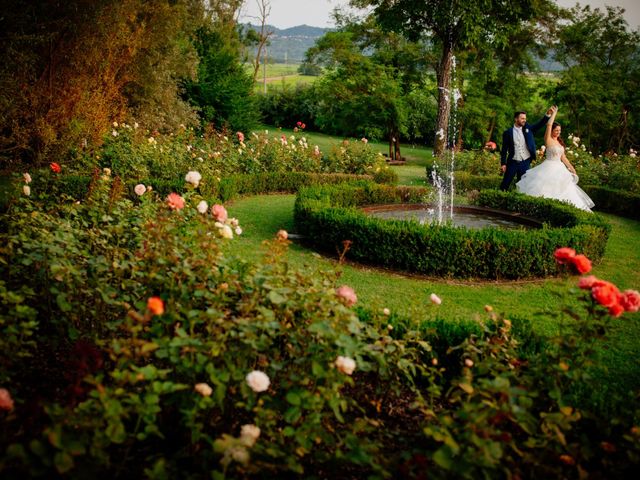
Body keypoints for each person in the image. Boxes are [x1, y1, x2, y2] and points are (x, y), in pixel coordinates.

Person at [516, 105, 595, 212]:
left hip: (560, 168)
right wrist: (554, 113)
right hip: (548, 167)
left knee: (564, 190)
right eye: (556, 130)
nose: (558, 132)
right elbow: (549, 124)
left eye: (560, 130)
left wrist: (572, 168)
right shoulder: (548, 139)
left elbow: (564, 157)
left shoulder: (559, 143)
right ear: (552, 130)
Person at [499, 108, 553, 190]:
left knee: (522, 186)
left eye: (525, 118)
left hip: (525, 162)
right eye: (522, 118)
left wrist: (547, 115)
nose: (524, 120)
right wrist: (503, 163)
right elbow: (504, 149)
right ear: (516, 119)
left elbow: (539, 124)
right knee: (505, 184)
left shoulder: (528, 128)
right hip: (512, 162)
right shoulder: (508, 132)